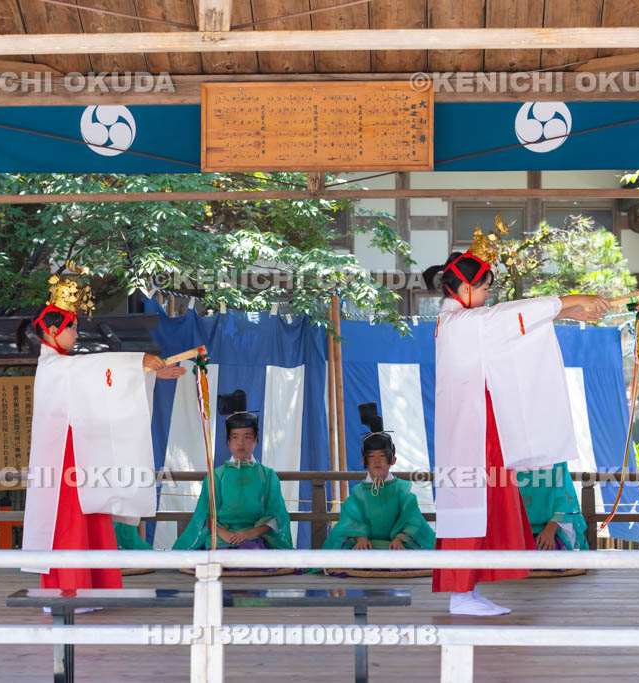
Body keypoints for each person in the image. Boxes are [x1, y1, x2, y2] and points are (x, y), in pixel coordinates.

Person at [423, 219, 607, 616]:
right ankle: (460, 592)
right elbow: (508, 318)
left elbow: (507, 326)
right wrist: (575, 300)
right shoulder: (459, 323)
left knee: (486, 506)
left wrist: (570, 311)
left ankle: (468, 590)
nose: (489, 296)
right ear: (465, 288)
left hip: (479, 433)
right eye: (485, 287)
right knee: (474, 509)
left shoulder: (461, 322)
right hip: (473, 436)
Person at [19, 274, 184, 592]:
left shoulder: (63, 366)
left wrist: (146, 372)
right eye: (73, 327)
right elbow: (94, 368)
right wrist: (140, 364)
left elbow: (97, 380)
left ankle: (91, 588)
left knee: (91, 517)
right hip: (65, 466)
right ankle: (71, 590)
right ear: (53, 330)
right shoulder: (54, 368)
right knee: (72, 522)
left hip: (79, 460)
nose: (76, 334)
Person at [173, 390, 293, 551]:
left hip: (255, 535)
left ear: (256, 439)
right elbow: (205, 515)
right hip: (221, 536)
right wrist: (224, 534)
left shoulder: (268, 476)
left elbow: (276, 515)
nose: (241, 443)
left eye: (247, 437)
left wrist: (250, 532)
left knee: (250, 555)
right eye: (235, 437)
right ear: (228, 441)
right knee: (221, 558)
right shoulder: (216, 476)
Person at [321, 403, 435, 553]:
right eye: (371, 457)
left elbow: (412, 519)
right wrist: (360, 538)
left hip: (396, 545)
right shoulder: (358, 494)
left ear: (393, 460)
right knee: (346, 547)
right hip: (367, 545)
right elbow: (350, 520)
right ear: (364, 461)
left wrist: (400, 538)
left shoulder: (402, 490)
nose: (376, 461)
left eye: (382, 456)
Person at [516, 462, 589, 575]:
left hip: (551, 530)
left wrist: (550, 530)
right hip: (515, 529)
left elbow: (565, 499)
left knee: (542, 553)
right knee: (511, 556)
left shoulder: (557, 459)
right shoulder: (509, 455)